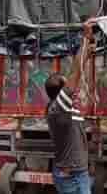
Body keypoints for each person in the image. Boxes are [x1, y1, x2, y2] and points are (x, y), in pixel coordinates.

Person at [44, 21, 95, 194]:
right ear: (61, 93)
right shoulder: (58, 109)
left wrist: (86, 55)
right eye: (66, 86)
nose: (71, 88)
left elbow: (77, 74)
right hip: (72, 176)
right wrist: (85, 38)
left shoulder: (62, 109)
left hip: (76, 173)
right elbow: (75, 73)